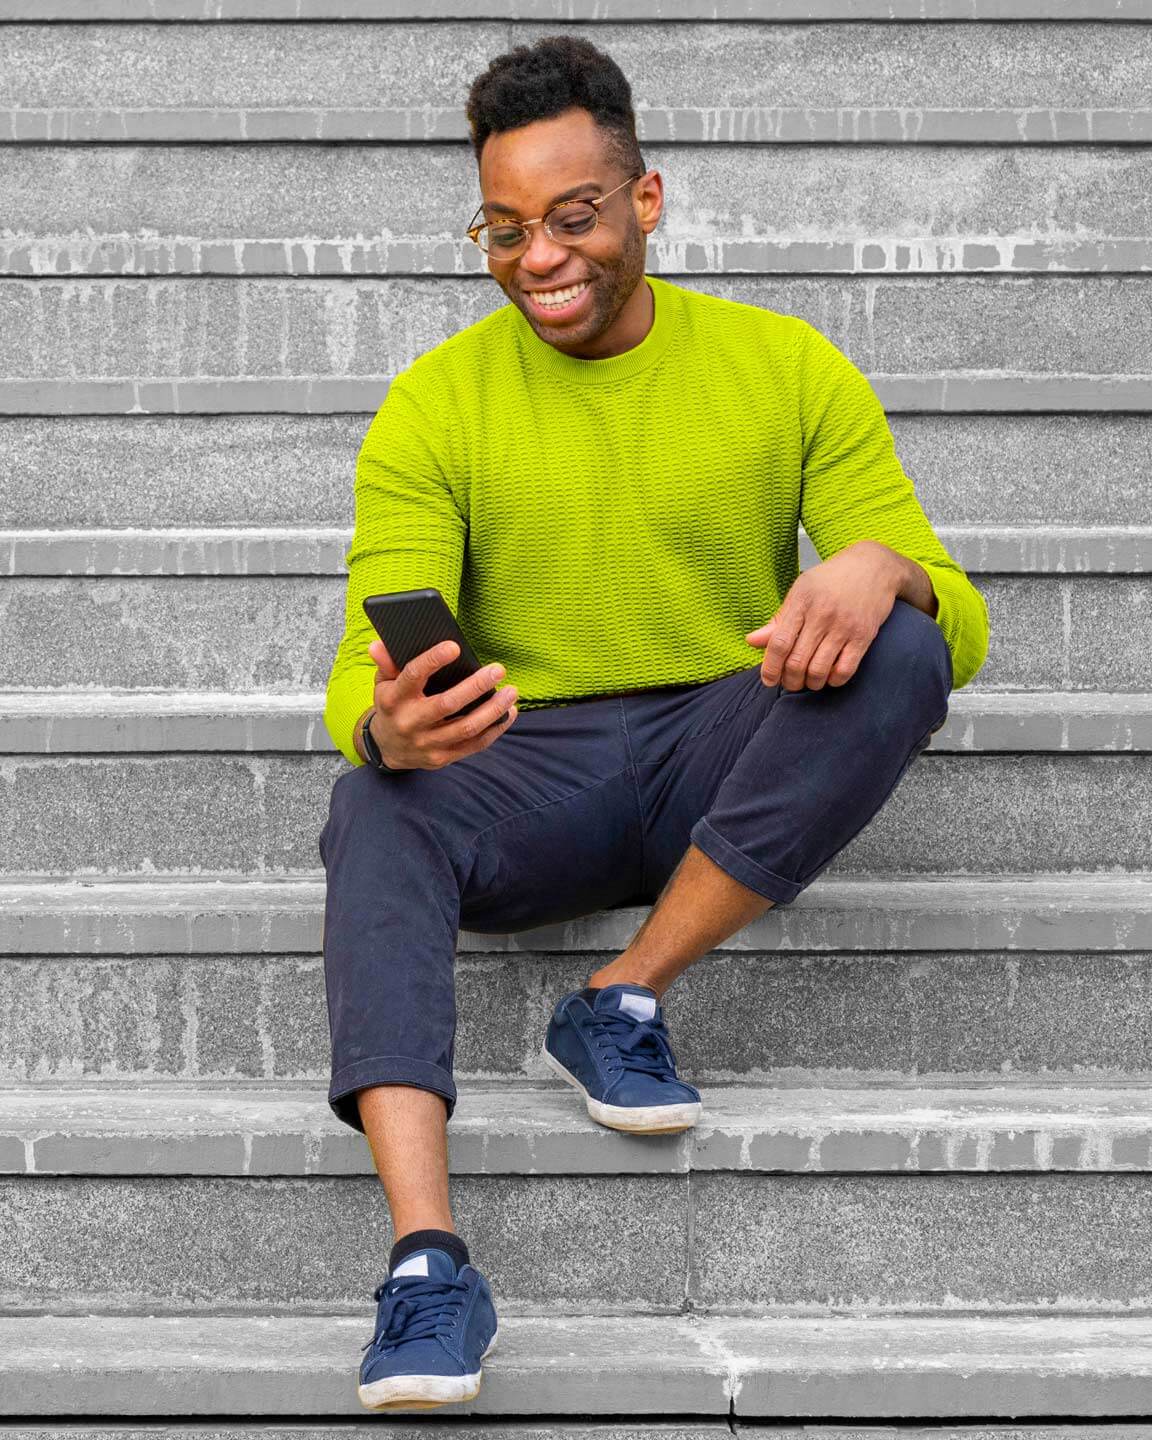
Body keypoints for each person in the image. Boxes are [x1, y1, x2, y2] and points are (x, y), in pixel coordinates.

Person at [317, 34, 990, 1413]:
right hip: (526, 771)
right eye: (504, 230)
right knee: (368, 800)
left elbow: (960, 629)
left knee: (903, 647)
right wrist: (393, 726)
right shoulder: (436, 403)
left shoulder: (783, 367)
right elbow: (356, 676)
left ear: (647, 200)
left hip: (717, 746)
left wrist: (888, 569)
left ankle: (622, 994)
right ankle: (428, 1266)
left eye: (572, 218)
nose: (540, 256)